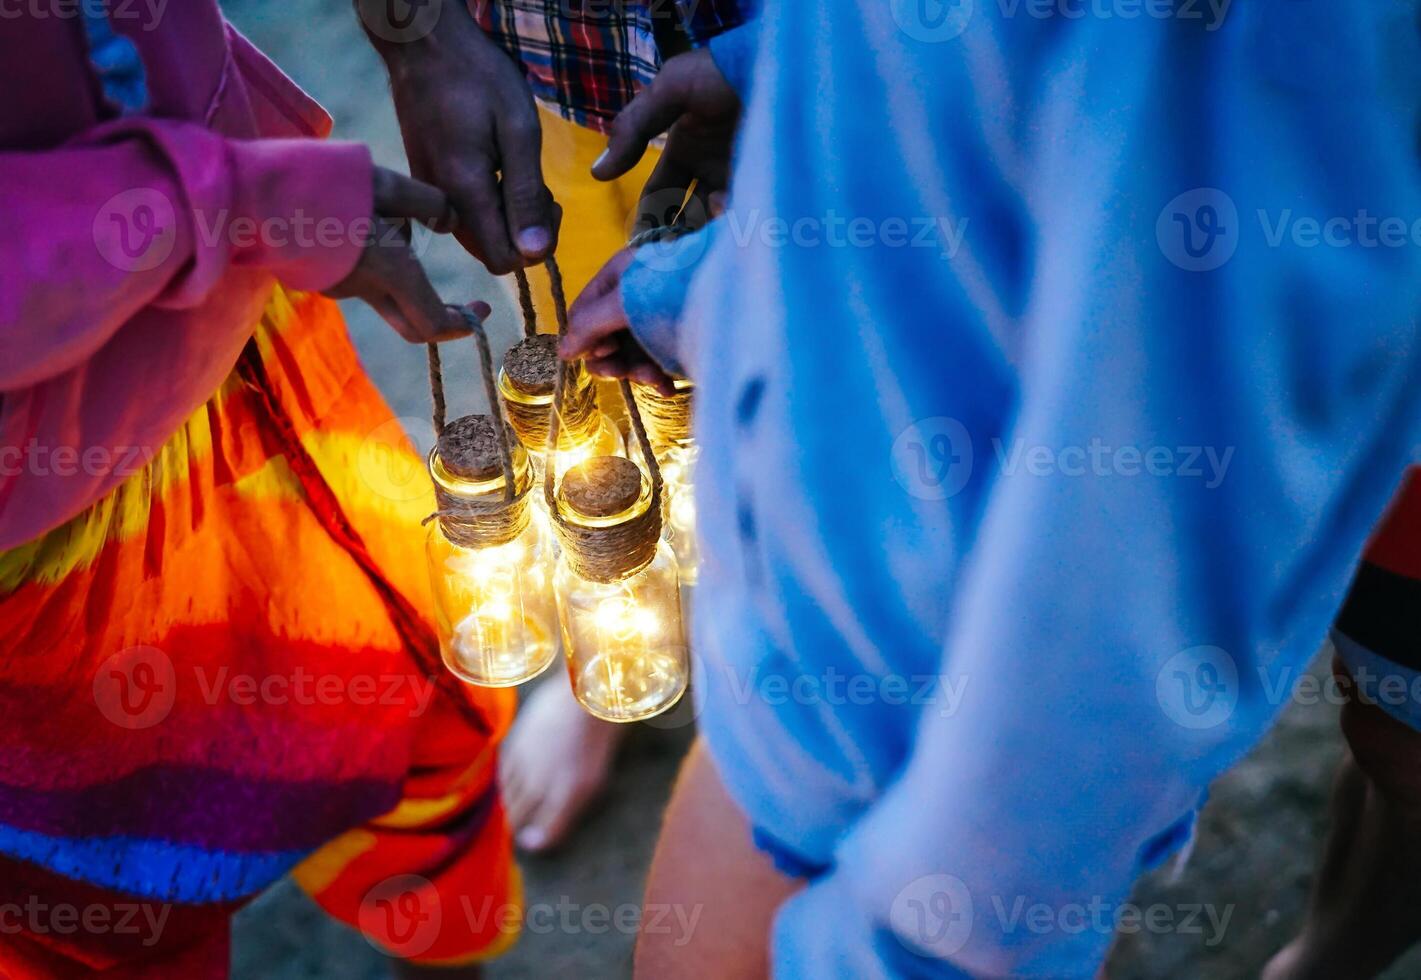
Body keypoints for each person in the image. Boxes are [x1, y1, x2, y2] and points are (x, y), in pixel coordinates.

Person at [564, 3, 1421, 976]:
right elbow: (933, 160)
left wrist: (905, 948)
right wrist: (703, 277)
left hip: (932, 795)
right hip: (799, 696)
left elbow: (1142, 561)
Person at [0, 5, 516, 975]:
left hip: (254, 361)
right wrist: (241, 204)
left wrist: (421, 32)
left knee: (419, 689)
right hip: (40, 538)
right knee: (108, 896)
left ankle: (443, 950)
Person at [354, 0, 749, 852]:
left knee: (786, 382)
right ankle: (611, 640)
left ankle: (757, 644)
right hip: (553, 70)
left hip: (812, 76)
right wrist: (412, 31)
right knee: (583, 348)